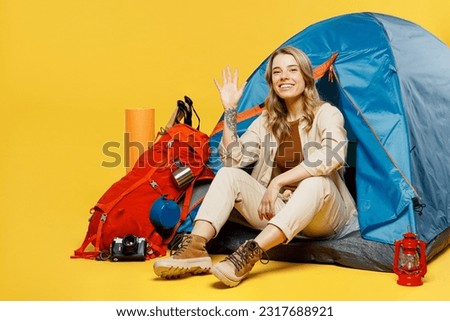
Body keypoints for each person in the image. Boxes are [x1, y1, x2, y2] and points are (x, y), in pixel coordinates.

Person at [153, 46, 357, 287]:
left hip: (323, 217)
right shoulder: (267, 120)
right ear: (272, 82)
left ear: (306, 77)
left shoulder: (326, 113)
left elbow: (331, 155)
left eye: (292, 70)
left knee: (315, 182)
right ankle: (196, 247)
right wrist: (230, 111)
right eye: (278, 72)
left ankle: (251, 252)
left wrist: (278, 181)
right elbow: (232, 160)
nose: (284, 77)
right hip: (279, 209)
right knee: (229, 175)